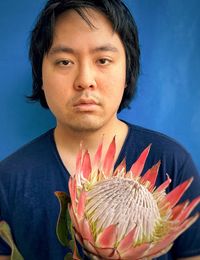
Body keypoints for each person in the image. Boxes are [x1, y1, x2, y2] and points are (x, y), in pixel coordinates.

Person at [0, 0, 199, 259]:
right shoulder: (9, 179)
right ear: (41, 76)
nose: (85, 80)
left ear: (127, 72)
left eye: (103, 60)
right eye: (64, 62)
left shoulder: (171, 165)